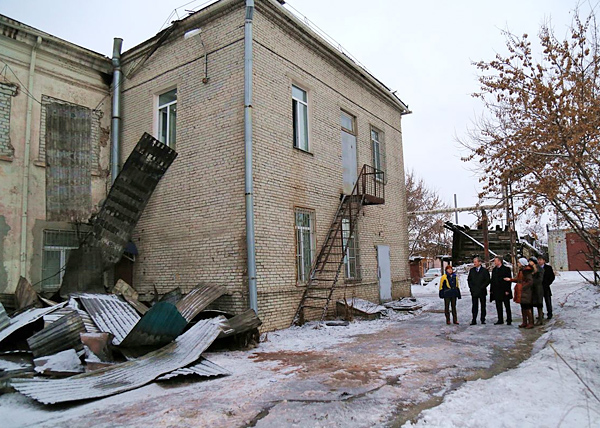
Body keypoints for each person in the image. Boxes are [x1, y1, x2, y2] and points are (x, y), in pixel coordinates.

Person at [505, 257, 533, 327]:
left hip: (525, 292)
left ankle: (530, 322)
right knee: (523, 307)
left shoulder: (526, 271)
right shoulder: (522, 271)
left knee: (527, 307)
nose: (518, 264)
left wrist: (523, 287)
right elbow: (519, 280)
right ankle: (525, 322)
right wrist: (511, 280)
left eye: (519, 262)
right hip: (522, 291)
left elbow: (530, 281)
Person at [467, 256, 490, 325]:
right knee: (474, 306)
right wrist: (471, 288)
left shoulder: (484, 271)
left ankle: (483, 319)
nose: (474, 263)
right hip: (474, 291)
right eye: (474, 262)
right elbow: (469, 280)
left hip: (482, 291)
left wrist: (482, 287)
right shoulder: (472, 270)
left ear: (479, 262)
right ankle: (474, 319)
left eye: (475, 262)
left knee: (483, 306)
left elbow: (487, 280)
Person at [490, 256, 512, 325]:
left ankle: (509, 319)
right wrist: (491, 290)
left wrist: (507, 290)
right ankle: (500, 319)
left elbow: (509, 281)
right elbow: (492, 280)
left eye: (495, 261)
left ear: (499, 261)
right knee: (498, 306)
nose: (494, 262)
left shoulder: (506, 269)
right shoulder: (494, 270)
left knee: (507, 305)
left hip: (504, 290)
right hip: (497, 291)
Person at [538, 255, 555, 319]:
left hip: (546, 287)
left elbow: (552, 277)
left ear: (544, 261)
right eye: (538, 260)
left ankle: (549, 313)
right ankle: (540, 313)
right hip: (538, 287)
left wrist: (548, 283)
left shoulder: (548, 268)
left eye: (541, 260)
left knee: (548, 301)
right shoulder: (536, 268)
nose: (539, 261)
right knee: (539, 302)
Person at [529, 257, 545, 325]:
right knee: (531, 303)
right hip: (532, 289)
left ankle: (540, 319)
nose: (529, 262)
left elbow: (540, 279)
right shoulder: (530, 269)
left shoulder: (539, 269)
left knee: (539, 304)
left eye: (530, 261)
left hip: (538, 288)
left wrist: (532, 281)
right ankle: (531, 320)